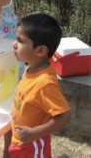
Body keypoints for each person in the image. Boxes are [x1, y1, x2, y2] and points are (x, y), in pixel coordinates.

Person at [8, 13, 71, 158]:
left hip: (32, 145)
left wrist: (34, 134)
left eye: (20, 41)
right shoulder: (30, 68)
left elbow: (65, 116)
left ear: (41, 50)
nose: (14, 44)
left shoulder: (45, 83)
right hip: (20, 142)